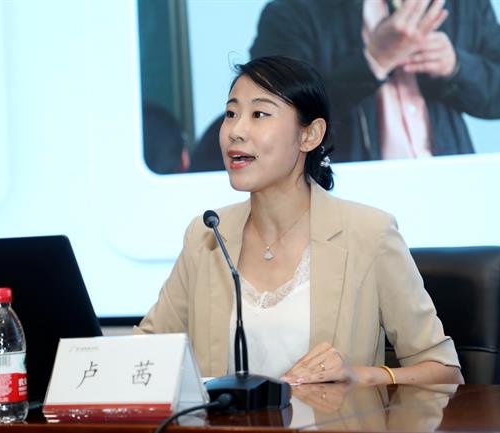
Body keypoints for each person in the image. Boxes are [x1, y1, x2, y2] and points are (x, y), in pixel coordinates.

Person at [136, 56, 464, 385]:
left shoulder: (369, 234)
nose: (235, 131)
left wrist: (355, 376)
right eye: (231, 114)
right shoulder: (206, 235)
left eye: (259, 114)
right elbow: (145, 352)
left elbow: (445, 371)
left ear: (310, 135)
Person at [250, 0, 500, 162]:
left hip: (452, 189)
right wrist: (373, 60)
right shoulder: (291, 13)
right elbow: (275, 117)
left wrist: (456, 65)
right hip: (348, 201)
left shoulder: (462, 5)